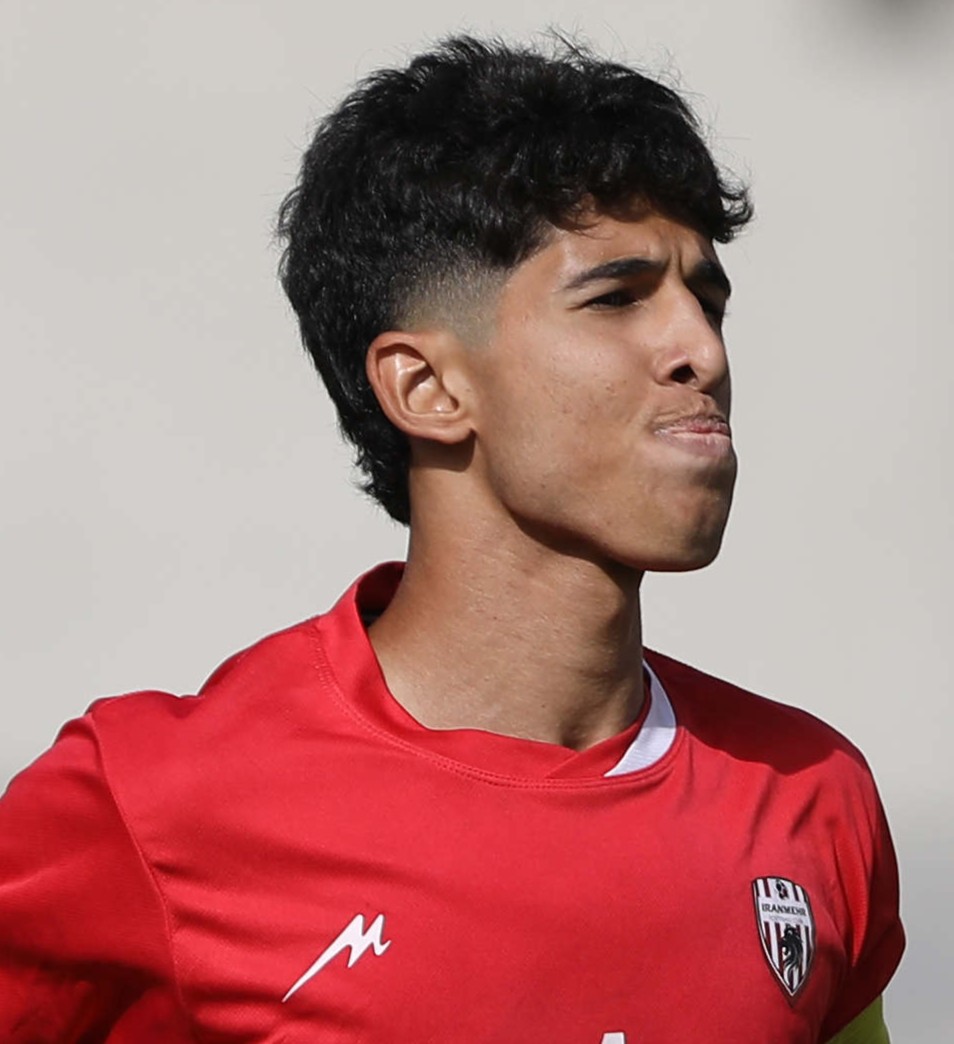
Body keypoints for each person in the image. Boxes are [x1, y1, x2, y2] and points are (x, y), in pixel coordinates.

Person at [0, 35, 903, 1043]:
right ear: (428, 388)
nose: (701, 349)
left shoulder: (815, 794)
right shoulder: (145, 801)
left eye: (709, 301)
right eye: (616, 297)